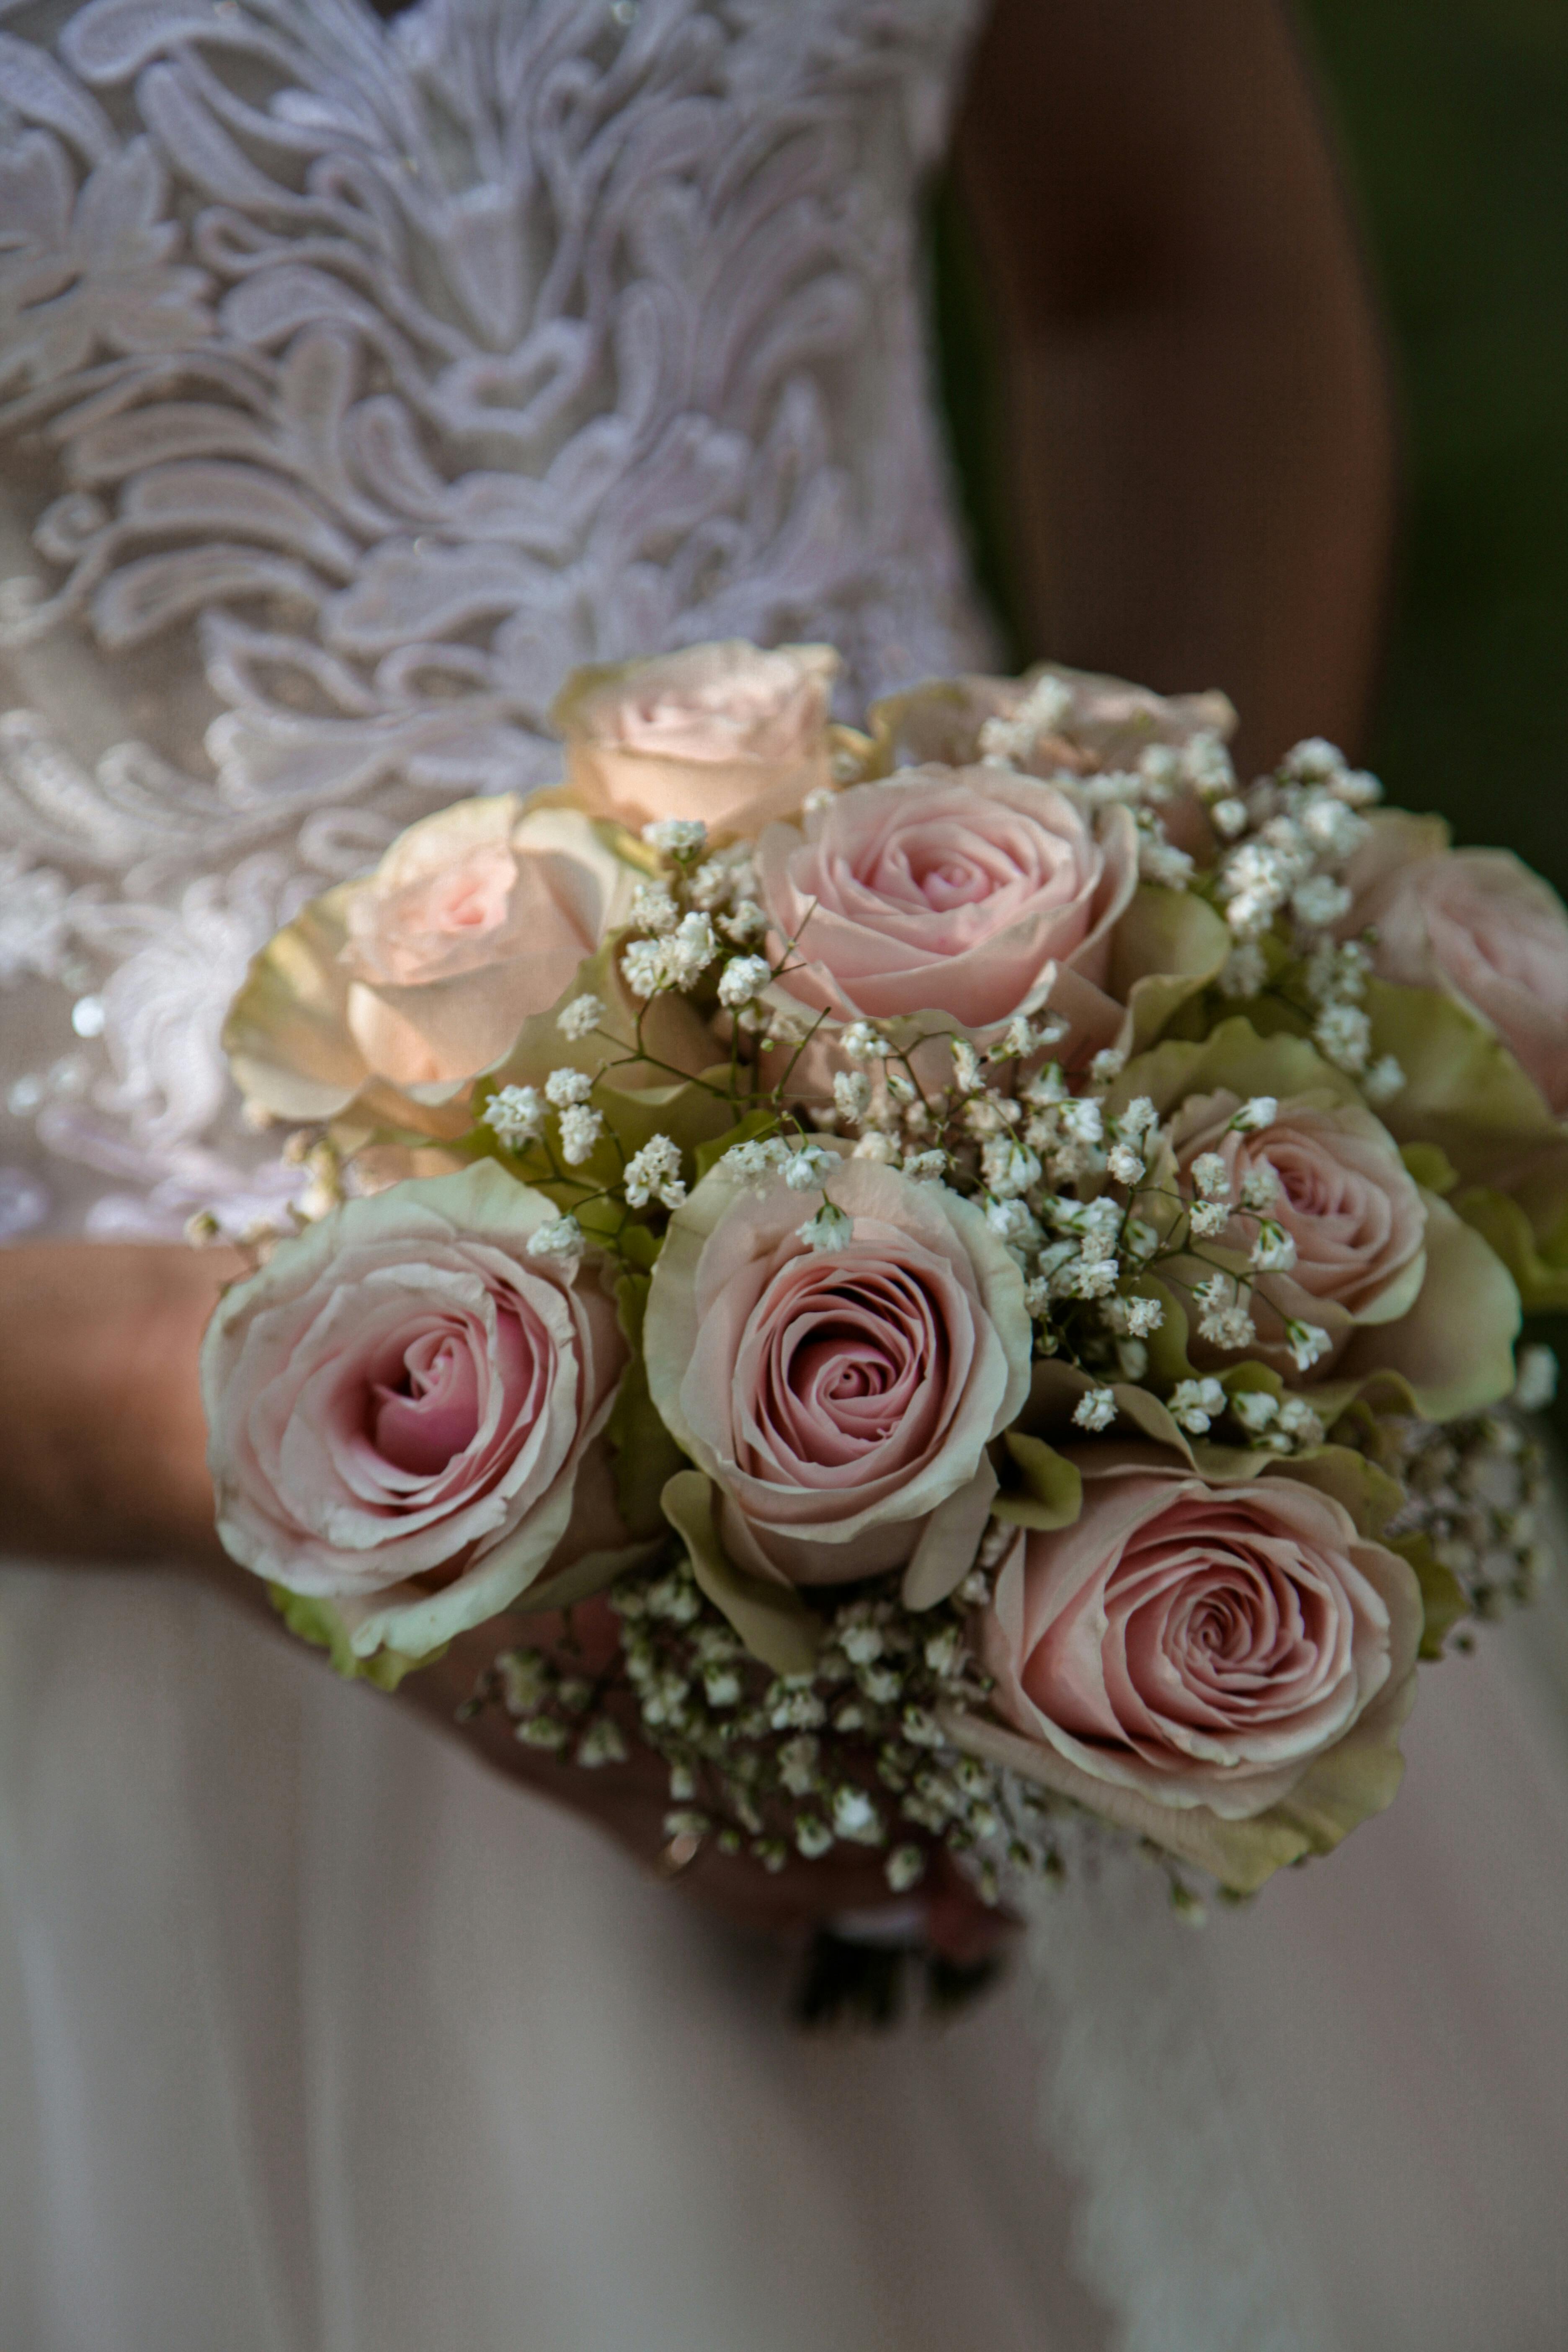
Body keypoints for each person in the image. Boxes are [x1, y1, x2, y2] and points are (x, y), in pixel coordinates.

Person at [2, 5, 1564, 2347]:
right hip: (174, 1644)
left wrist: (1174, 1093)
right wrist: (231, 1414)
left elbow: (1174, 269)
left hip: (1084, 1372)